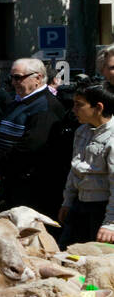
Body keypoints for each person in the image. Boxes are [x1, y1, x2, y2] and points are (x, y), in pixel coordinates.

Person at [0, 58, 68, 217]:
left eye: (18, 77)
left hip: (33, 188)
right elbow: (0, 131)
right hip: (11, 182)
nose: (13, 82)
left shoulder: (46, 106)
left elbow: (31, 146)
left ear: (38, 78)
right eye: (11, 77)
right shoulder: (18, 102)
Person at [59, 81, 114, 247]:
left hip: (102, 210)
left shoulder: (112, 138)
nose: (74, 110)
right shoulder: (81, 131)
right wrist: (67, 202)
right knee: (67, 253)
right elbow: (75, 170)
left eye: (79, 105)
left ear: (98, 107)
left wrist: (110, 223)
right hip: (79, 205)